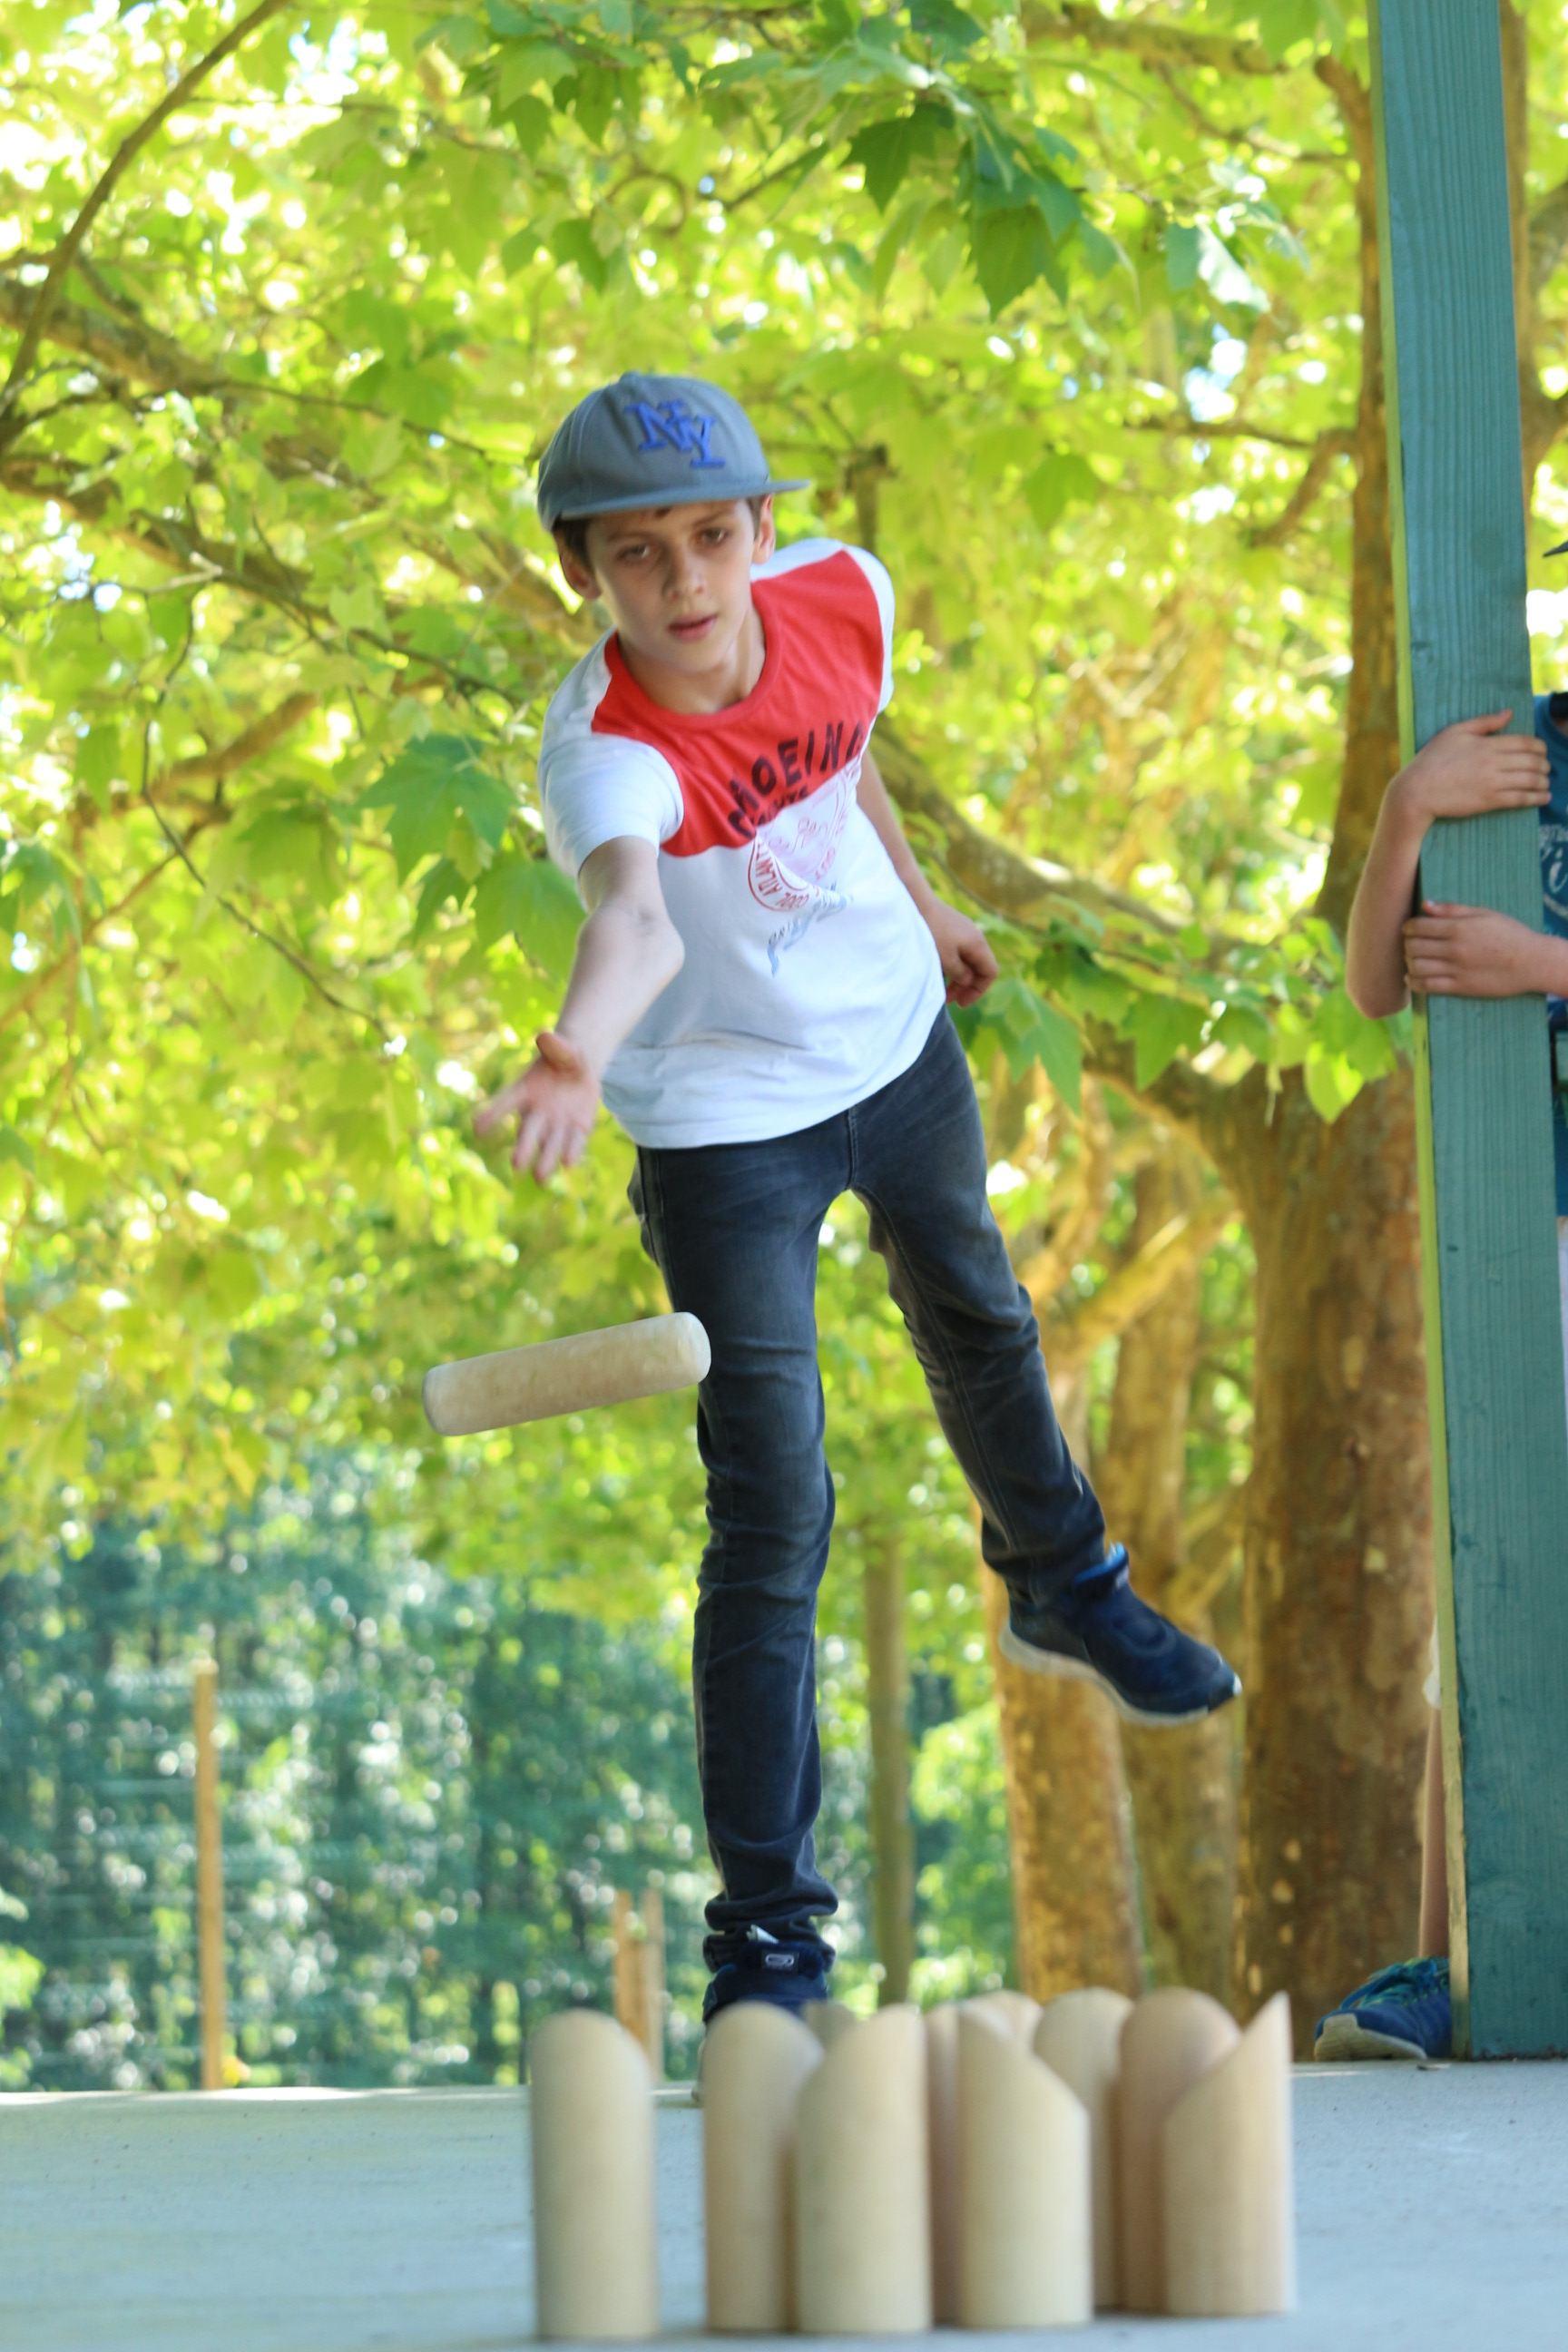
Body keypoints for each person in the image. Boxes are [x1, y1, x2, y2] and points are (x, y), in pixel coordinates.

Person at [476, 371, 1240, 2021]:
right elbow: (634, 921)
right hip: (723, 1124)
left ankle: (1068, 1585)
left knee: (982, 1314)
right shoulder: (605, 752)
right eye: (636, 556)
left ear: (762, 527)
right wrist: (573, 1057)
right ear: (585, 575)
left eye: (710, 538)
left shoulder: (843, 595)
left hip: (894, 1046)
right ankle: (767, 1931)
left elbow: (842, 758)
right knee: (775, 1506)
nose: (685, 583)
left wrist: (930, 899)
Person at [1316, 700, 1568, 2061]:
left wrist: (1540, 963)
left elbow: (1509, 962)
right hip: (1520, 1239)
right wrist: (1408, 804)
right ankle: (1448, 1959)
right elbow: (1374, 986)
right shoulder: (1518, 747)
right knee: (1481, 1603)